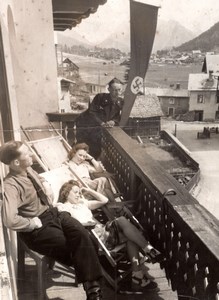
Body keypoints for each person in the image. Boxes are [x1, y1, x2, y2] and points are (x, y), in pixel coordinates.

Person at [0, 141, 103, 300]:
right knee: (74, 247)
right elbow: (9, 219)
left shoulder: (27, 169)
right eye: (27, 154)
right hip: (37, 228)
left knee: (84, 236)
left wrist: (45, 184)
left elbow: (38, 180)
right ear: (16, 162)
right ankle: (93, 291)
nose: (31, 155)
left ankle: (91, 288)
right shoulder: (11, 185)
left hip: (53, 213)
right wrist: (30, 223)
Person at [57, 180, 163, 294]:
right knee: (122, 220)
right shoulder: (63, 207)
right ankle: (148, 249)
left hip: (104, 233)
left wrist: (88, 190)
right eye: (75, 192)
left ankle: (137, 276)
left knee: (130, 238)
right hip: (93, 237)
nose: (79, 194)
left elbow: (104, 200)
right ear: (66, 194)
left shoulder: (83, 203)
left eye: (79, 192)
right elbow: (65, 222)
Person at [76, 78, 124, 159]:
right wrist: (102, 123)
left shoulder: (120, 102)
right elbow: (92, 112)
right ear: (109, 89)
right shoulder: (100, 97)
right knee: (83, 149)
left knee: (96, 151)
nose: (117, 93)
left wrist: (113, 121)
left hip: (99, 130)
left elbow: (118, 116)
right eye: (114, 90)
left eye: (119, 90)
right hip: (86, 127)